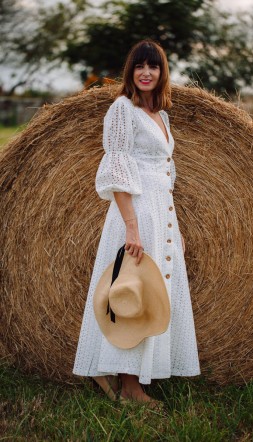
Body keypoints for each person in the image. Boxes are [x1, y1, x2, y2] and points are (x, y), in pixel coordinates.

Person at [72, 39, 200, 407]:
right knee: (133, 290)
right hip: (137, 214)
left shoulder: (162, 116)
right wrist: (131, 227)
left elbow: (166, 177)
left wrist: (176, 230)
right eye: (140, 66)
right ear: (131, 71)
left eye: (154, 67)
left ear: (162, 73)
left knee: (153, 294)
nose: (146, 73)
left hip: (161, 215)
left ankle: (131, 373)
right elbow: (117, 171)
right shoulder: (121, 110)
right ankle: (129, 388)